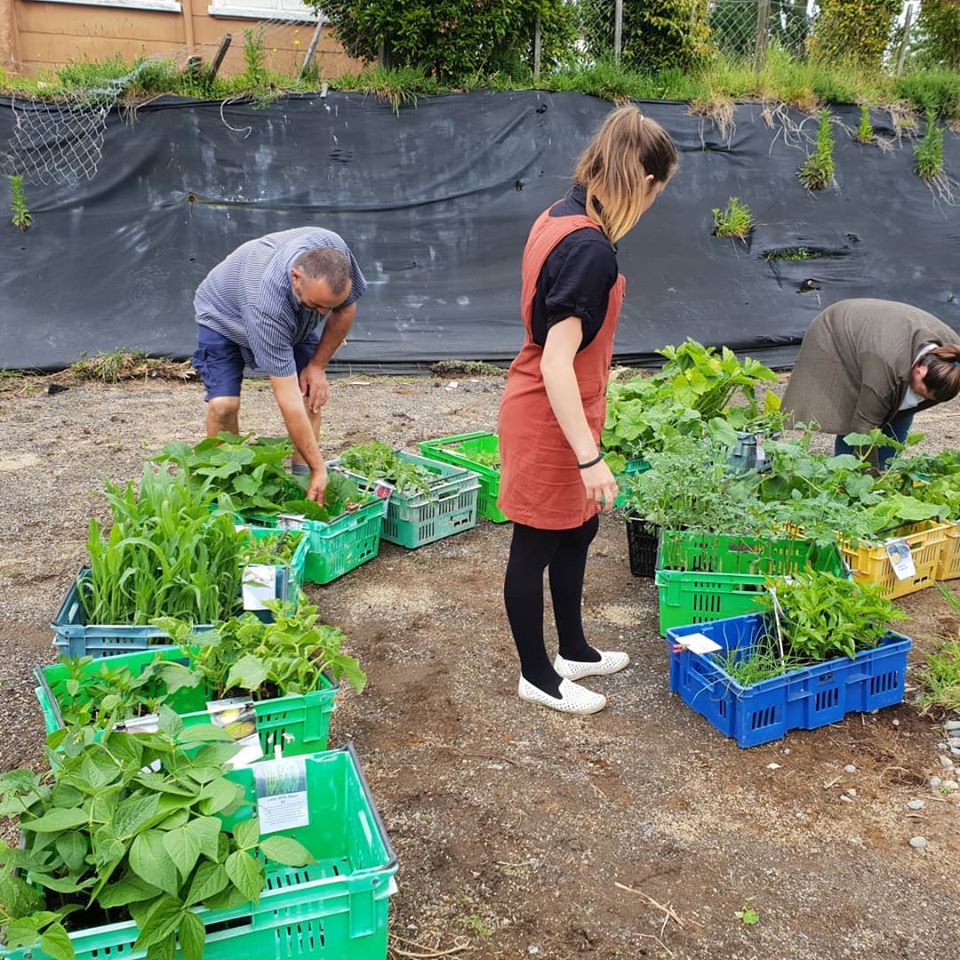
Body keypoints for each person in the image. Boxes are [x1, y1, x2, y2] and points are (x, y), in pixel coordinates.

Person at [497, 106, 678, 716]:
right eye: (658, 192)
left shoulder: (562, 212)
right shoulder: (590, 249)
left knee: (580, 527)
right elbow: (555, 362)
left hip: (565, 405)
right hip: (551, 415)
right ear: (644, 182)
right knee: (535, 543)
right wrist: (590, 457)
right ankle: (536, 674)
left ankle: (572, 648)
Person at [192, 227, 367, 502]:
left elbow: (345, 308)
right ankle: (226, 487)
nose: (324, 314)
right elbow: (288, 399)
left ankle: (302, 486)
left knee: (310, 393)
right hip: (223, 314)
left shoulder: (333, 249)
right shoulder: (267, 306)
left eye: (328, 307)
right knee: (224, 405)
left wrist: (318, 366)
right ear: (295, 277)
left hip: (287, 311)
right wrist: (321, 466)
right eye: (317, 305)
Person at [782, 299, 960, 468]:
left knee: (900, 410)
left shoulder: (952, 357)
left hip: (888, 332)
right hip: (838, 331)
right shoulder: (886, 366)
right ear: (919, 370)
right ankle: (845, 473)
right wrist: (870, 480)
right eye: (923, 392)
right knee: (854, 413)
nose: (922, 399)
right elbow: (863, 428)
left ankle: (885, 466)